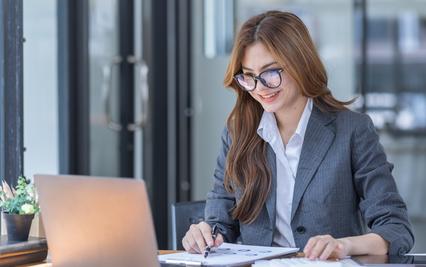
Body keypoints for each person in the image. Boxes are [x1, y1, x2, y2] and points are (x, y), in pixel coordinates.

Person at [182, 10, 414, 260]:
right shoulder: (238, 133)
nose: (260, 88)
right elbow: (220, 222)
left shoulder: (352, 130)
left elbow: (396, 229)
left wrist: (343, 246)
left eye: (270, 72)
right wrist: (206, 233)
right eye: (249, 76)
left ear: (300, 64)